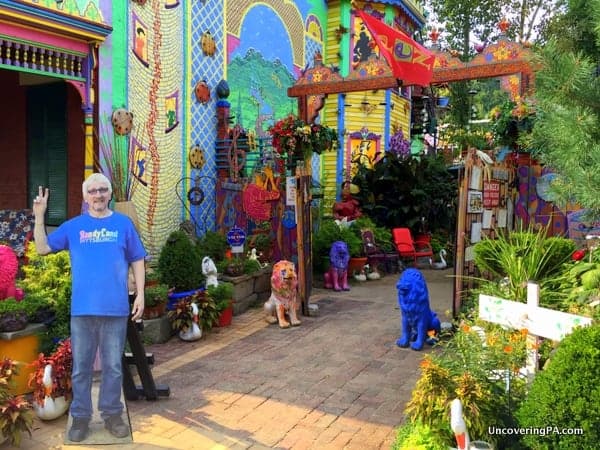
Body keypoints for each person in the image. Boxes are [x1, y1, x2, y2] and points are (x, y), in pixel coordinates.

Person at [32, 173, 146, 442]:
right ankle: (81, 417)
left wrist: (140, 294)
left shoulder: (123, 224)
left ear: (109, 194)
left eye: (102, 190)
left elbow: (138, 259)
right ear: (85, 197)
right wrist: (39, 216)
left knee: (113, 367)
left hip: (115, 310)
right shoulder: (74, 227)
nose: (98, 195)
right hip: (82, 311)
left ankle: (112, 414)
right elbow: (42, 248)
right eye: (93, 191)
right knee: (81, 368)